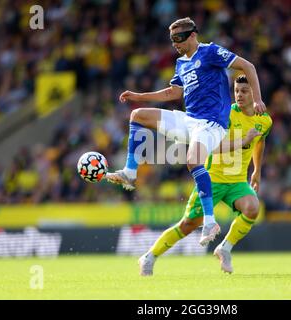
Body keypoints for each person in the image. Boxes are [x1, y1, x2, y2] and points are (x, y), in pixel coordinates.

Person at [106, 17, 266, 247]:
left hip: (211, 124)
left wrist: (258, 99)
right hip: (189, 121)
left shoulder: (210, 52)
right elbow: (173, 93)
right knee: (138, 115)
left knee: (193, 160)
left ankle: (209, 221)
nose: (175, 44)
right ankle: (130, 173)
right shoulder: (181, 63)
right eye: (172, 40)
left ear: (192, 35)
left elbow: (247, 66)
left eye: (179, 38)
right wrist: (138, 96)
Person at [137, 75, 272, 275]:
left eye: (244, 91)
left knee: (252, 208)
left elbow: (259, 142)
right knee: (187, 225)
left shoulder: (264, 121)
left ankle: (224, 249)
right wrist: (243, 140)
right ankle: (149, 257)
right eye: (236, 91)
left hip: (236, 182)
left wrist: (257, 171)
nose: (239, 95)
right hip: (212, 180)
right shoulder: (223, 114)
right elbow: (209, 147)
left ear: (255, 93)